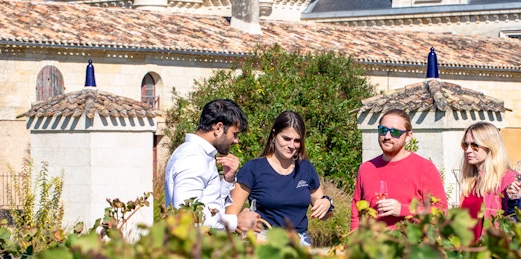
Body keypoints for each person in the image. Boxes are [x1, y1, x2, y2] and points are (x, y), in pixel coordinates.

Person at [226, 110, 333, 247]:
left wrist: (327, 203)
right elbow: (231, 216)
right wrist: (255, 237)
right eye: (286, 138)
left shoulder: (306, 168)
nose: (291, 145)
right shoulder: (253, 169)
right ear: (274, 135)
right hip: (266, 245)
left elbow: (324, 213)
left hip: (300, 245)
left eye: (297, 141)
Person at [164, 99, 259, 232]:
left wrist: (227, 180)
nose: (236, 141)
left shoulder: (199, 154)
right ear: (219, 128)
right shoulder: (193, 158)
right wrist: (236, 221)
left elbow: (207, 205)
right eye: (234, 134)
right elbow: (186, 218)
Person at [350, 108, 447, 230]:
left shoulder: (425, 168)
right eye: (383, 130)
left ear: (408, 136)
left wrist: (403, 210)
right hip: (372, 247)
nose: (387, 136)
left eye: (395, 132)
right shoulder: (366, 168)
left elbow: (440, 212)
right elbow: (356, 215)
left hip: (410, 247)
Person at [458, 121, 515, 241]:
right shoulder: (471, 180)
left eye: (475, 145)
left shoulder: (507, 178)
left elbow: (512, 221)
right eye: (465, 145)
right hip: (467, 252)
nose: (468, 150)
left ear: (491, 146)